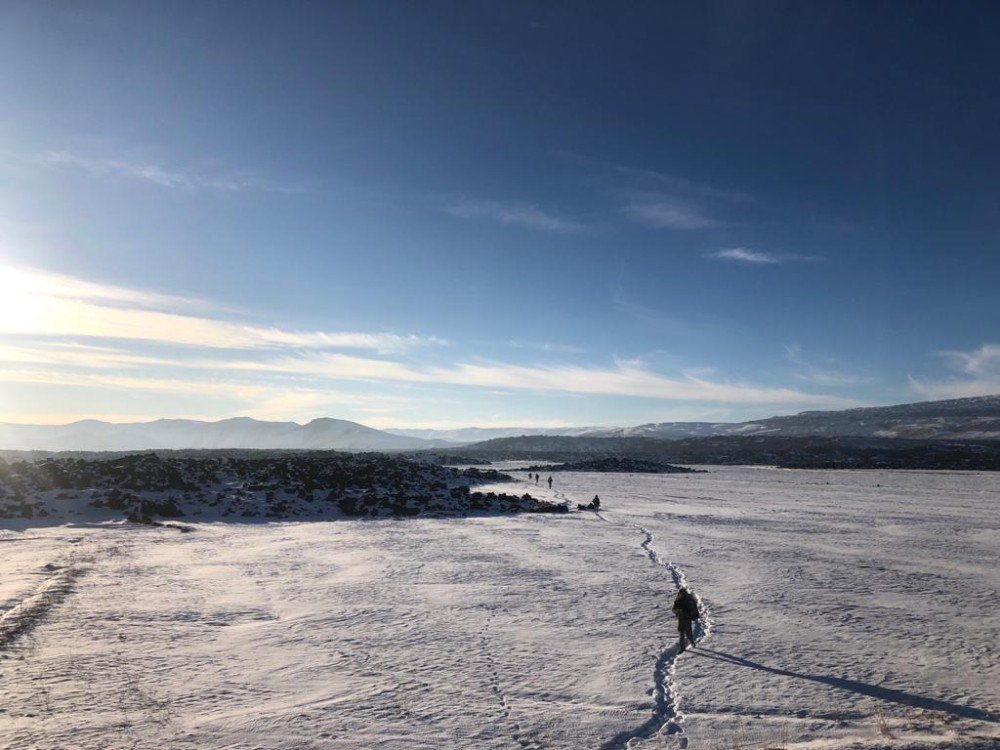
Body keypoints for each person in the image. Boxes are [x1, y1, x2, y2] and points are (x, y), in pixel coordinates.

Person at [672, 587, 699, 652]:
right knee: (681, 633)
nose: (682, 595)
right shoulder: (678, 600)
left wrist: (687, 613)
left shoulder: (688, 600)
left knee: (688, 633)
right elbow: (673, 609)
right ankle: (682, 648)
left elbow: (693, 610)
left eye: (683, 593)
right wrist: (679, 611)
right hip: (681, 619)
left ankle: (692, 642)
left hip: (687, 619)